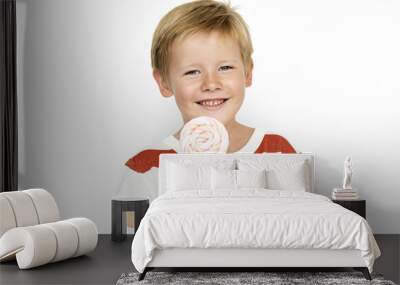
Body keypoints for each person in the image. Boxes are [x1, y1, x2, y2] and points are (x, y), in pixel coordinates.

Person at [117, 0, 296, 201]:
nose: (211, 84)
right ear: (164, 83)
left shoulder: (278, 152)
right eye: (192, 71)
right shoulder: (146, 167)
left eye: (225, 68)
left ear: (248, 73)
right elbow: (129, 230)